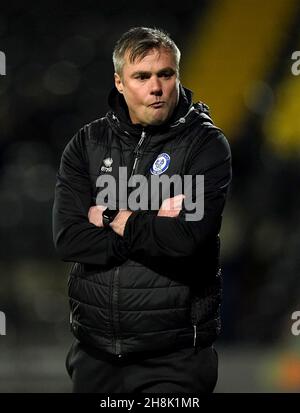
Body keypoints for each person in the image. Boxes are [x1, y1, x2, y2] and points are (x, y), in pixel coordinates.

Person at [52, 26, 232, 393]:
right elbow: (69, 239)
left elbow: (185, 241)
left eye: (166, 74)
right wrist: (150, 226)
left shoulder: (205, 145)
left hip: (175, 360)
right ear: (120, 83)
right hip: (95, 355)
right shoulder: (86, 144)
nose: (156, 87)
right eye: (142, 76)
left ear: (177, 76)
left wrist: (110, 217)